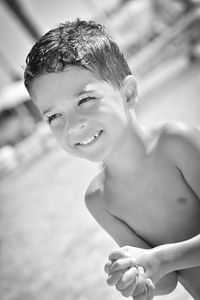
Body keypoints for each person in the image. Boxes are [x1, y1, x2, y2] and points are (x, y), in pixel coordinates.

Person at [24, 19, 200, 300]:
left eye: (85, 100)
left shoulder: (175, 143)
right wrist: (136, 273)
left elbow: (163, 262)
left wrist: (162, 259)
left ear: (127, 93)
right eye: (54, 116)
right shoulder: (99, 199)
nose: (72, 125)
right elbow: (166, 283)